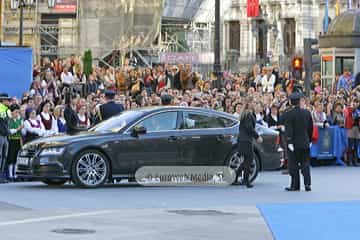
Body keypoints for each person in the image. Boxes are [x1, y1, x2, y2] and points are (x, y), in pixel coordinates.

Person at [283, 92, 313, 191]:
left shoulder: (288, 114)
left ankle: (295, 185)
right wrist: (309, 139)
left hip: (294, 143)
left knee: (294, 164)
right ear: (299, 101)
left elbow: (289, 129)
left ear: (291, 102)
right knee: (305, 164)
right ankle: (307, 184)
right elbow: (310, 128)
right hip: (305, 141)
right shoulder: (307, 113)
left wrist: (289, 141)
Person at [233, 97, 263, 188]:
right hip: (246, 140)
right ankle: (245, 180)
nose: (255, 104)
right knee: (248, 160)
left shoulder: (244, 114)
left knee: (246, 160)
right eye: (253, 102)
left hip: (243, 139)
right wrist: (257, 136)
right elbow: (249, 128)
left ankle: (237, 178)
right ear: (249, 103)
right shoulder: (248, 114)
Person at [7, 104, 23, 180]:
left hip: (18, 140)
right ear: (12, 112)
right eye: (15, 112)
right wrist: (18, 129)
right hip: (12, 140)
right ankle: (10, 175)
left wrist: (21, 129)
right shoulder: (9, 121)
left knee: (17, 157)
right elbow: (10, 131)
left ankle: (15, 175)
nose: (17, 114)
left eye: (18, 112)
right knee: (11, 158)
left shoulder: (20, 120)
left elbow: (23, 132)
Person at [0, 93, 12, 183]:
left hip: (5, 135)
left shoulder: (7, 110)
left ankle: (1, 176)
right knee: (1, 156)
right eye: (7, 100)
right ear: (2, 100)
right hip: (1, 135)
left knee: (4, 156)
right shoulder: (1, 108)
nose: (9, 101)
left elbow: (7, 124)